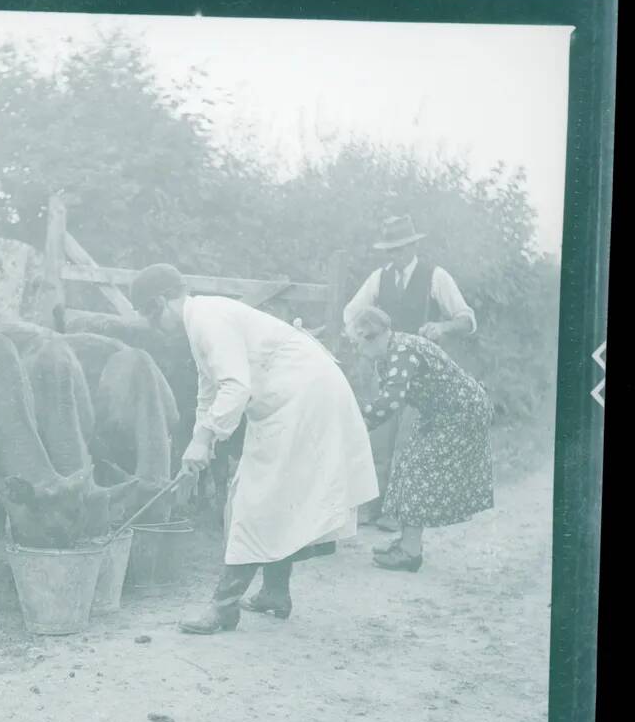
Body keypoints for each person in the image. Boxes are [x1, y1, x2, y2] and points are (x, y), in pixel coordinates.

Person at [129, 263, 379, 635]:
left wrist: (205, 437)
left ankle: (223, 607)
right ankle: (275, 593)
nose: (153, 327)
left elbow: (235, 386)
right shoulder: (202, 320)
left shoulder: (207, 319)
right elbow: (209, 390)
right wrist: (202, 439)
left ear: (161, 301)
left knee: (254, 498)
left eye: (150, 316)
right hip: (296, 395)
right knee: (273, 497)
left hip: (302, 396)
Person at [343, 215, 477, 533]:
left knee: (409, 442)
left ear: (414, 245)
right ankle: (372, 506)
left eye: (401, 248)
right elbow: (351, 312)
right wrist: (359, 339)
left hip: (421, 375)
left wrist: (443, 326)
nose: (395, 255)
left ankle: (398, 511)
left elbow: (467, 319)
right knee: (378, 438)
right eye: (390, 250)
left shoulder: (435, 276)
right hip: (386, 368)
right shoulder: (379, 278)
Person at [351, 306, 494, 572]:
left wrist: (357, 425)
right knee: (408, 465)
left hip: (460, 413)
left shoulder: (402, 351)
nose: (357, 348)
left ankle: (410, 552)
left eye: (357, 341)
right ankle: (407, 541)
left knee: (418, 470)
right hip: (440, 412)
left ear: (372, 335)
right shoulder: (393, 349)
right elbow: (390, 397)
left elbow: (390, 402)